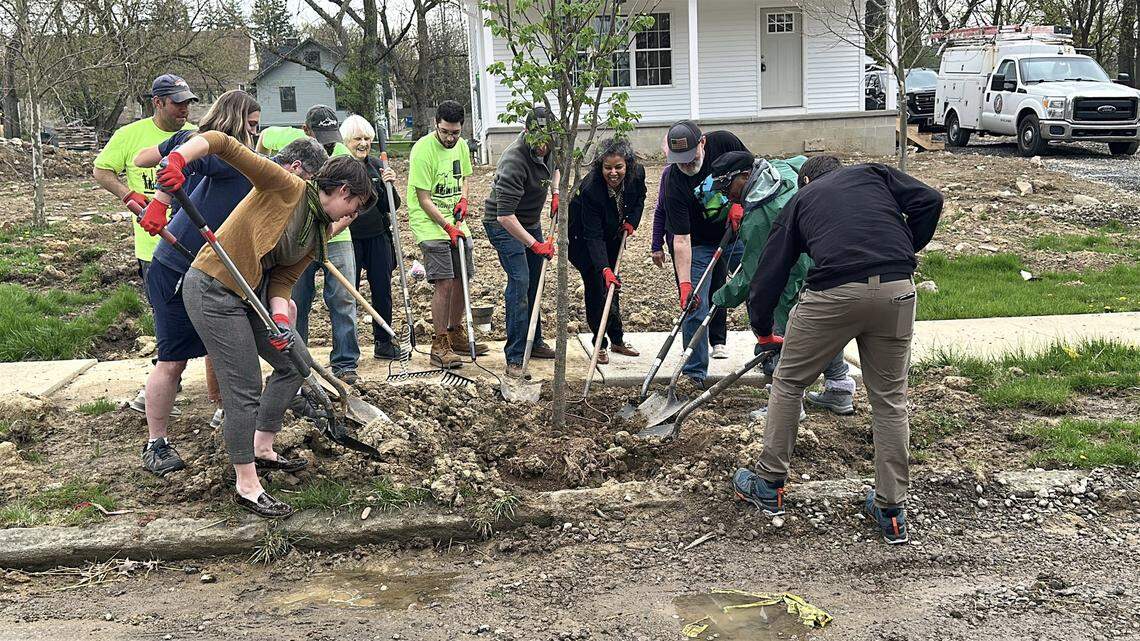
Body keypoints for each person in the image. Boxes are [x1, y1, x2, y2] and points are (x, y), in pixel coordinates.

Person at [144, 130, 371, 519]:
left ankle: (263, 446)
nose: (351, 217)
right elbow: (221, 142)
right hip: (213, 288)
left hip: (252, 295)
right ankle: (246, 483)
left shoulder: (317, 231)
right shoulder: (287, 186)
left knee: (295, 363)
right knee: (244, 385)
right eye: (354, 208)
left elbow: (283, 280)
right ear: (344, 191)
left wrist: (281, 321)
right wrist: (180, 160)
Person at [733, 155, 943, 545]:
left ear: (806, 179)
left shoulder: (802, 197)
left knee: (790, 380)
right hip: (898, 290)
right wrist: (901, 247)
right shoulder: (875, 174)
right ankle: (891, 509)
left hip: (833, 294)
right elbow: (930, 199)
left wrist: (763, 328)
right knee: (890, 399)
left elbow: (772, 268)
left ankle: (768, 482)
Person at [131, 89, 266, 475]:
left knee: (220, 349)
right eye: (252, 126)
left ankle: (224, 413)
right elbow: (182, 156)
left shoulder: (237, 158)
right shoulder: (226, 159)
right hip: (175, 267)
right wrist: (160, 199)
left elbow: (163, 151)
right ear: (235, 122)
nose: (255, 135)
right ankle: (156, 443)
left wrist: (174, 151)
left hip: (204, 269)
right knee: (172, 361)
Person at [706, 151, 858, 420]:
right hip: (827, 261)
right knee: (825, 329)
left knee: (782, 336)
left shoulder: (760, 217)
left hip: (792, 276)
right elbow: (803, 163)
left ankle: (787, 407)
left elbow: (755, 275)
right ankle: (839, 389)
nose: (726, 195)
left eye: (727, 187)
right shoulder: (779, 169)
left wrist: (720, 297)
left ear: (745, 175)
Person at [92, 73, 198, 414]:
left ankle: (180, 385)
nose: (184, 109)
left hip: (191, 242)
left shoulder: (192, 138)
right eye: (177, 103)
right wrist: (127, 195)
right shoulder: (130, 135)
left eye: (187, 103)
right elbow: (101, 169)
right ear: (158, 103)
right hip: (153, 247)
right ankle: (163, 387)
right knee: (166, 316)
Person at [269, 106, 360, 384]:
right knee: (297, 299)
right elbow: (262, 142)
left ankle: (345, 362)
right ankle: (299, 361)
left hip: (338, 236)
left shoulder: (344, 156)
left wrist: (332, 230)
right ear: (306, 131)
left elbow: (353, 204)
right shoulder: (285, 139)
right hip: (298, 238)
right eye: (321, 136)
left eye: (332, 136)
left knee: (343, 298)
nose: (328, 143)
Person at [661, 120, 748, 385]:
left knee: (761, 289)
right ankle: (694, 374)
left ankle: (771, 353)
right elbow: (681, 240)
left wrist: (741, 202)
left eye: (691, 157)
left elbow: (754, 172)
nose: (687, 165)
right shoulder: (674, 182)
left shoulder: (725, 143)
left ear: (703, 143)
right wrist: (686, 285)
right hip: (699, 243)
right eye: (680, 160)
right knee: (695, 305)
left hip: (738, 234)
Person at [407, 100, 486, 369]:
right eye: (445, 132)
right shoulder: (422, 151)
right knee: (445, 282)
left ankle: (455, 331)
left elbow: (464, 177)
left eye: (455, 132)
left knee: (463, 277)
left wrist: (463, 200)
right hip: (430, 222)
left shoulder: (461, 146)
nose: (450, 138)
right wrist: (447, 227)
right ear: (435, 125)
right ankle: (439, 343)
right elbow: (423, 198)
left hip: (455, 220)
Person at [483, 107, 560, 378]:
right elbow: (505, 216)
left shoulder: (554, 142)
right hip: (502, 223)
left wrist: (556, 192)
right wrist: (535, 245)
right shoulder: (513, 161)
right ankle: (515, 356)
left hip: (529, 220)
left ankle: (535, 341)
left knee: (536, 279)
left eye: (547, 140)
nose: (542, 146)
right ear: (526, 132)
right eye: (536, 139)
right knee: (520, 280)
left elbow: (558, 166)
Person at [568, 138, 645, 364]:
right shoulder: (591, 189)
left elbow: (640, 198)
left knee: (613, 286)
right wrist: (603, 267)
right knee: (596, 286)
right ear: (600, 166)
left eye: (618, 167)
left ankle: (618, 340)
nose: (613, 173)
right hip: (582, 241)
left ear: (627, 165)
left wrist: (632, 221)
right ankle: (599, 344)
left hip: (612, 234)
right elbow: (592, 235)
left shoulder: (637, 174)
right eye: (607, 167)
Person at [340, 114, 403, 360]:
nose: (363, 144)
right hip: (349, 238)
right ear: (346, 141)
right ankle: (348, 348)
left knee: (382, 289)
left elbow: (392, 206)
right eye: (357, 139)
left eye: (367, 138)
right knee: (349, 293)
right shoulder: (340, 167)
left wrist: (389, 185)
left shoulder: (377, 166)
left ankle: (383, 341)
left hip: (377, 236)